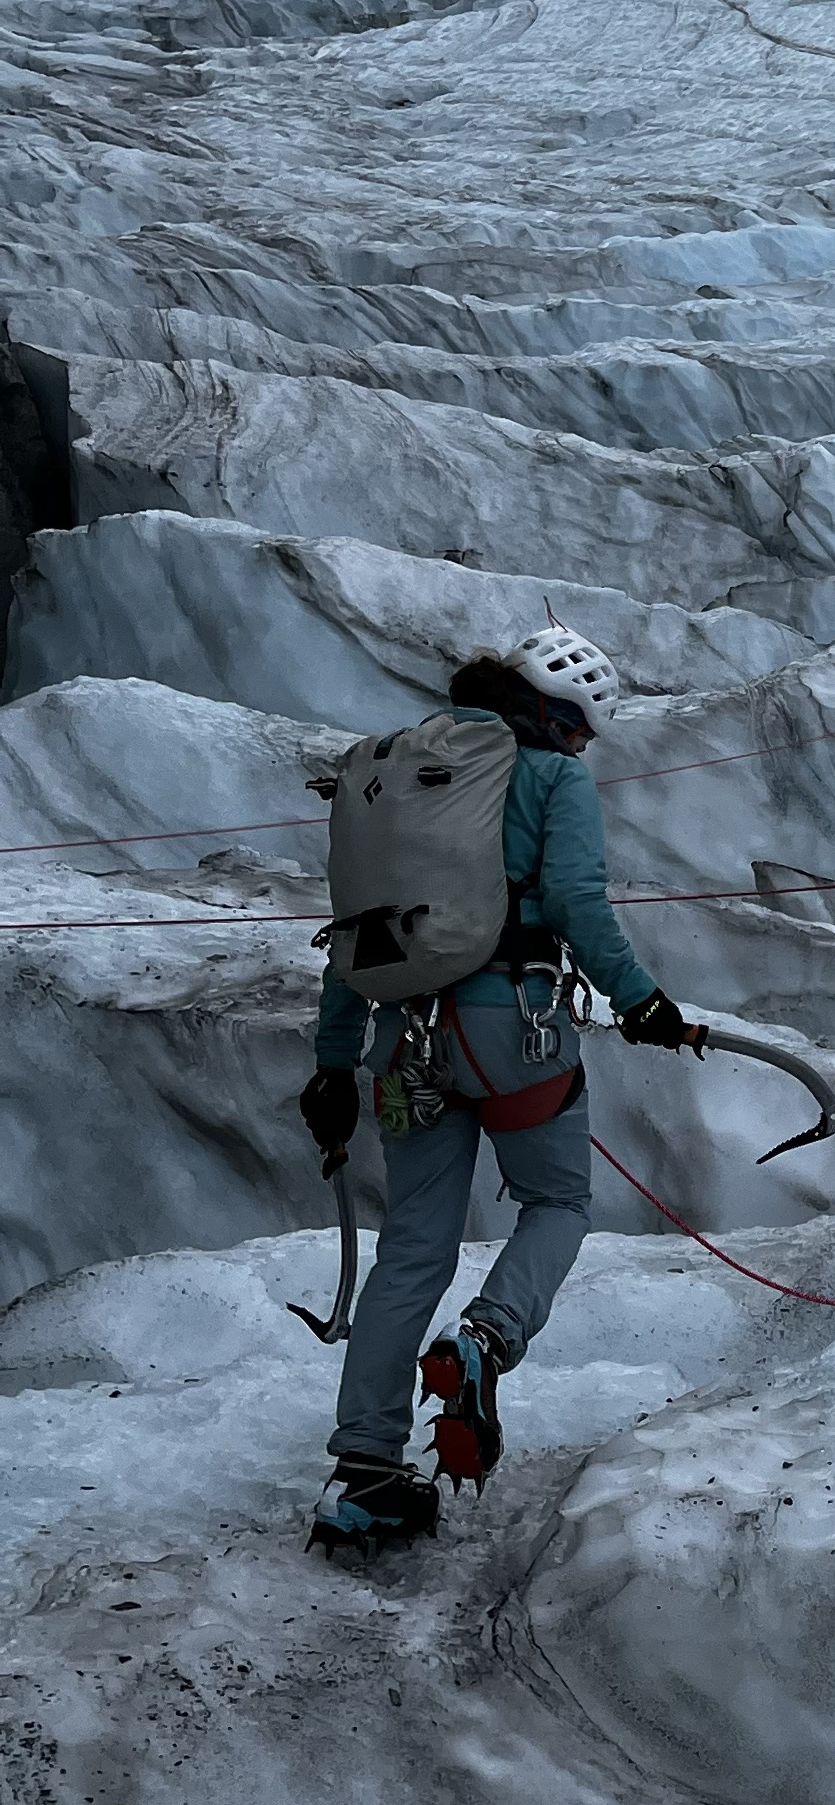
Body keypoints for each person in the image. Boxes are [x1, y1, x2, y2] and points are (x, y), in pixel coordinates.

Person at [301, 626, 699, 1550]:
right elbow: (575, 903)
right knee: (558, 1201)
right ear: (561, 716)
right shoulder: (552, 778)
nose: (581, 750)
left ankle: (363, 1475)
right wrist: (642, 1002)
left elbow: (358, 935)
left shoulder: (399, 779)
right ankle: (484, 1339)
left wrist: (332, 1061)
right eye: (583, 733)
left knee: (413, 1249)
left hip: (405, 1040)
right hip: (511, 1026)